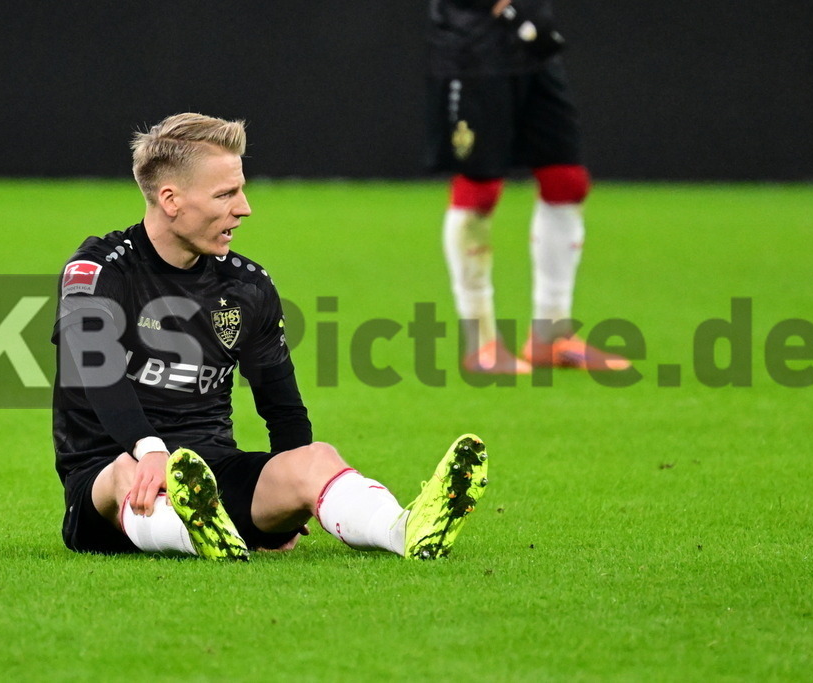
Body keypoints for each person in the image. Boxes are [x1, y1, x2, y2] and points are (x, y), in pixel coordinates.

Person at [52, 112, 489, 561]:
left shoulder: (246, 285)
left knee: (317, 458)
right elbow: (99, 374)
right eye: (225, 194)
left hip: (212, 475)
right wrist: (150, 450)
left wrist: (290, 501)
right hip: (106, 483)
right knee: (125, 472)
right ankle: (195, 533)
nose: (244, 208)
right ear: (171, 199)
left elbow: (282, 407)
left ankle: (405, 531)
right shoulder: (97, 272)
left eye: (240, 190)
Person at [427, 0, 631, 374]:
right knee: (479, 189)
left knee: (565, 181)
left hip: (531, 41)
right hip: (475, 47)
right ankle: (481, 343)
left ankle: (550, 335)